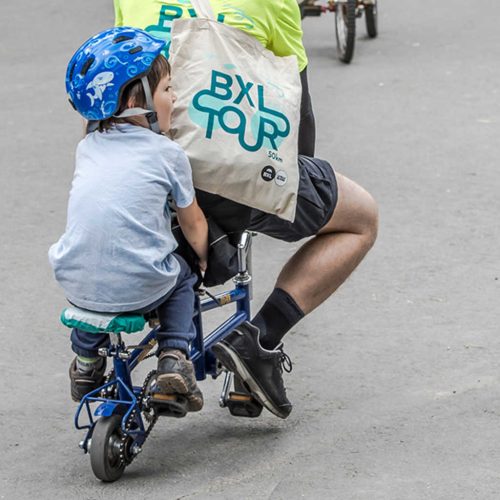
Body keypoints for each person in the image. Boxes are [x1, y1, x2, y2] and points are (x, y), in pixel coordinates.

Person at [113, 0, 379, 419]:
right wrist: (287, 192)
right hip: (235, 178)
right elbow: (296, 109)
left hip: (144, 180)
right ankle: (260, 339)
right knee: (361, 219)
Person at [48, 27, 209, 411]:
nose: (175, 97)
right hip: (142, 284)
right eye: (168, 89)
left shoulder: (87, 147)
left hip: (73, 277)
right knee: (182, 277)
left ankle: (87, 363)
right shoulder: (168, 154)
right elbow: (193, 223)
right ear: (138, 100)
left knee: (95, 280)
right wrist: (203, 258)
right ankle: (174, 356)